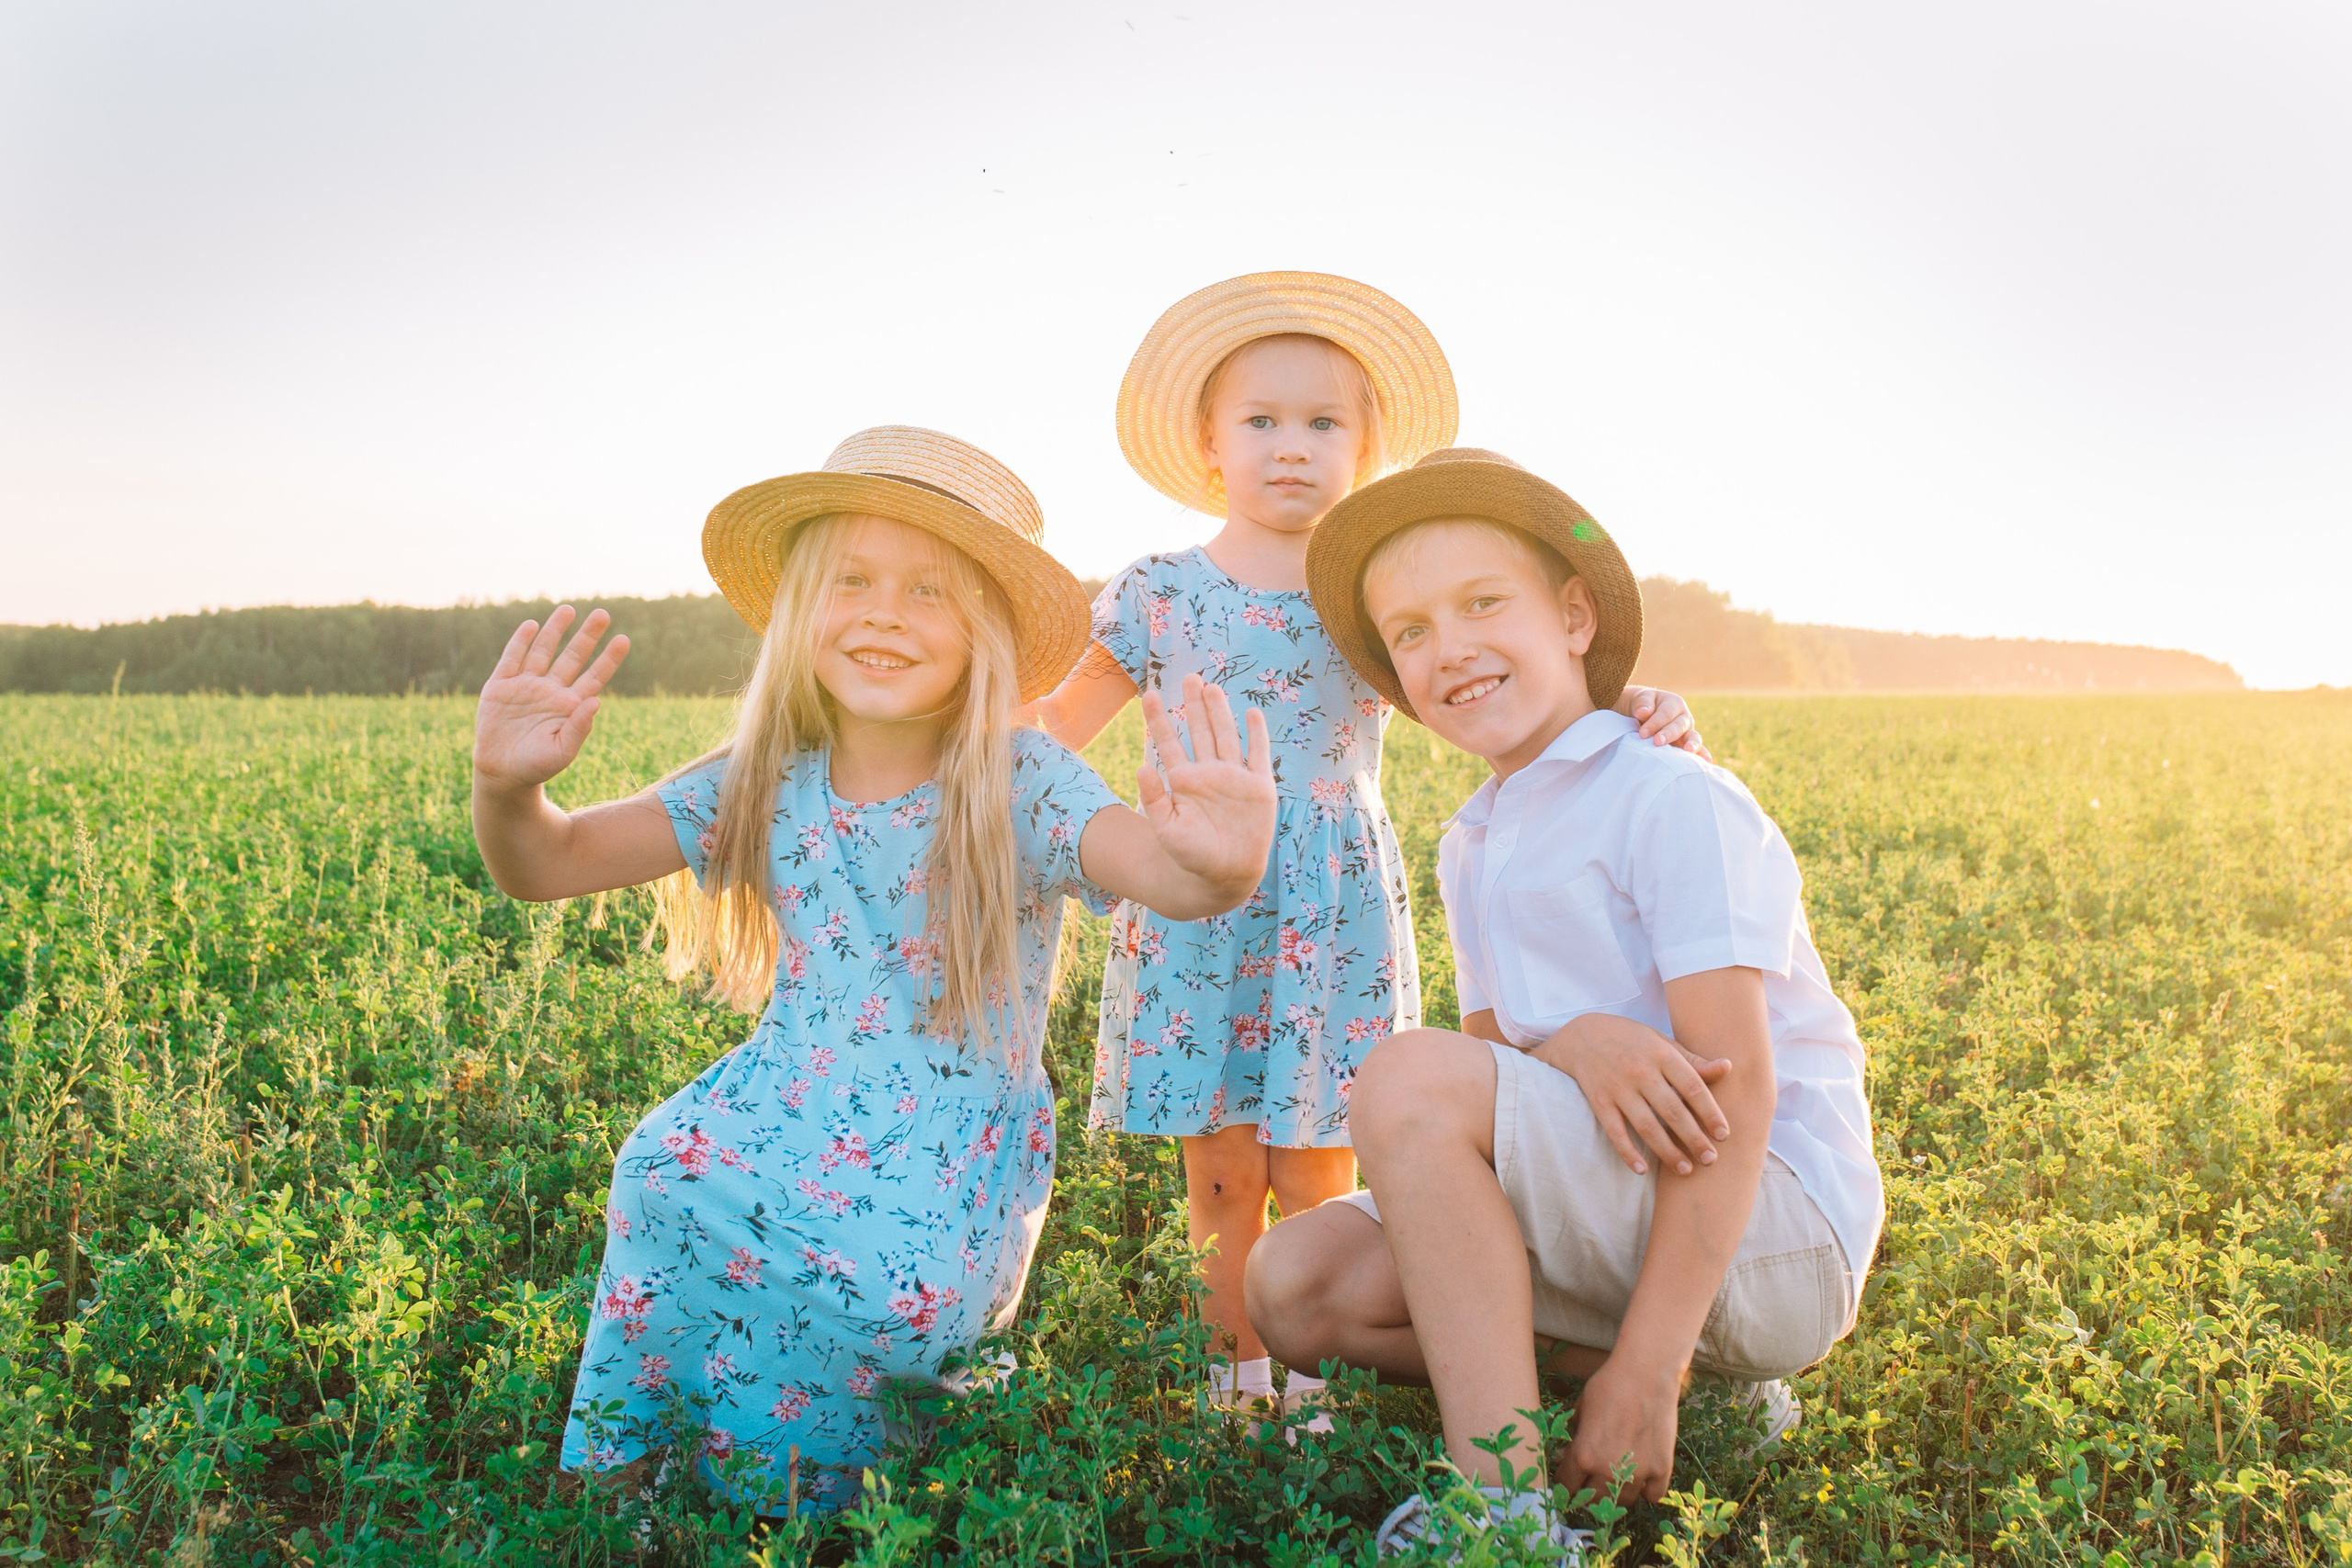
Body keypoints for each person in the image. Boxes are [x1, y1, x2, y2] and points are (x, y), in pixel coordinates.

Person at [470, 427, 1277, 1511]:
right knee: (665, 1172)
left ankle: (824, 1498)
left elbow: (1164, 876)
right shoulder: (763, 777)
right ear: (804, 609)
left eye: (929, 591)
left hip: (948, 1138)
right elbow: (549, 863)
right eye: (851, 580)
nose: (884, 612)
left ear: (983, 629)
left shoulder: (1023, 779)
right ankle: (637, 1486)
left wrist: (1217, 865)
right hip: (781, 1098)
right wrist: (506, 789)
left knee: (886, 1298)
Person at [1027, 275, 1709, 1418]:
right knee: (1221, 1162)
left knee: (1318, 1153)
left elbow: (1488, 684)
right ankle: (1234, 1378)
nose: (1291, 449)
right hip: (1196, 893)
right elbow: (1047, 730)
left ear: (1365, 450)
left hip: (1327, 903)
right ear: (1208, 444)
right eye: (1261, 421)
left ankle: (1311, 1373)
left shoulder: (1369, 596)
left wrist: (1622, 696)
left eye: (1323, 424)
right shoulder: (1154, 594)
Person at [1246, 447, 1883, 1552]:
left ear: (1575, 618)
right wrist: (1577, 1039)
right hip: (1621, 1207)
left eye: (1482, 604)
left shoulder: (1669, 795)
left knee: (1405, 1073)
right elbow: (1501, 1070)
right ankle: (1689, 1393)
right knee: (1295, 1285)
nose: (1449, 649)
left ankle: (1504, 1515)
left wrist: (1649, 1370)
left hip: (1771, 1234)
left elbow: (1737, 1104)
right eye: (1410, 633)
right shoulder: (1475, 840)